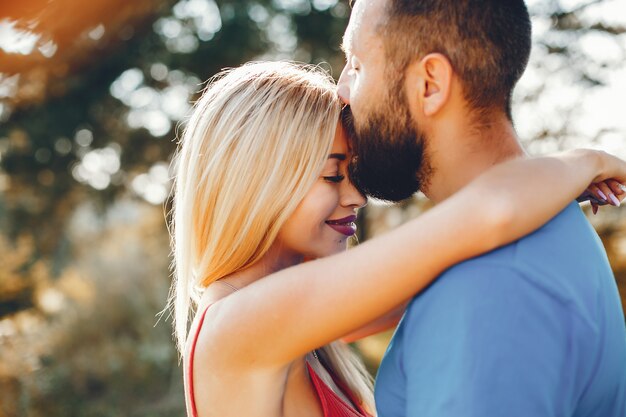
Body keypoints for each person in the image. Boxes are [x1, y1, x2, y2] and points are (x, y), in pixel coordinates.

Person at [166, 61, 626, 417]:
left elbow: (451, 255)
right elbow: (484, 217)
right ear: (255, 181)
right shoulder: (239, 327)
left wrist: (542, 193)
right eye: (332, 175)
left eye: (354, 173)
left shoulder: (295, 323)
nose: (357, 196)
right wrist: (586, 161)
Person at [336, 0, 626, 416]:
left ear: (430, 84)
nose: (343, 89)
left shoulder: (490, 286)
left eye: (358, 65)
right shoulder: (540, 229)